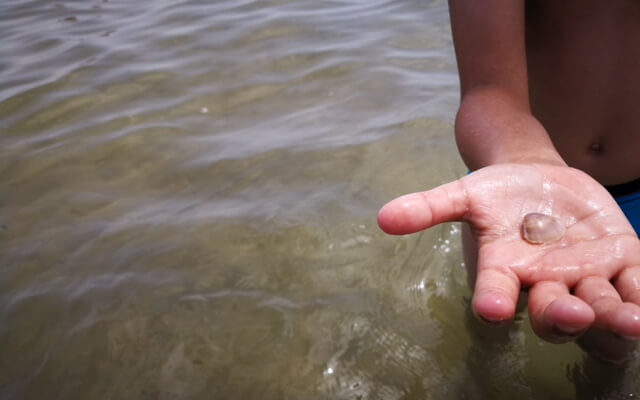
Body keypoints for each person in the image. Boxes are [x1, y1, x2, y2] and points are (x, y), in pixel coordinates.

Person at [378, 0, 640, 363]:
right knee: (490, 331)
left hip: (632, 196)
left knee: (613, 349)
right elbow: (488, 90)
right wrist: (528, 161)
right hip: (514, 183)